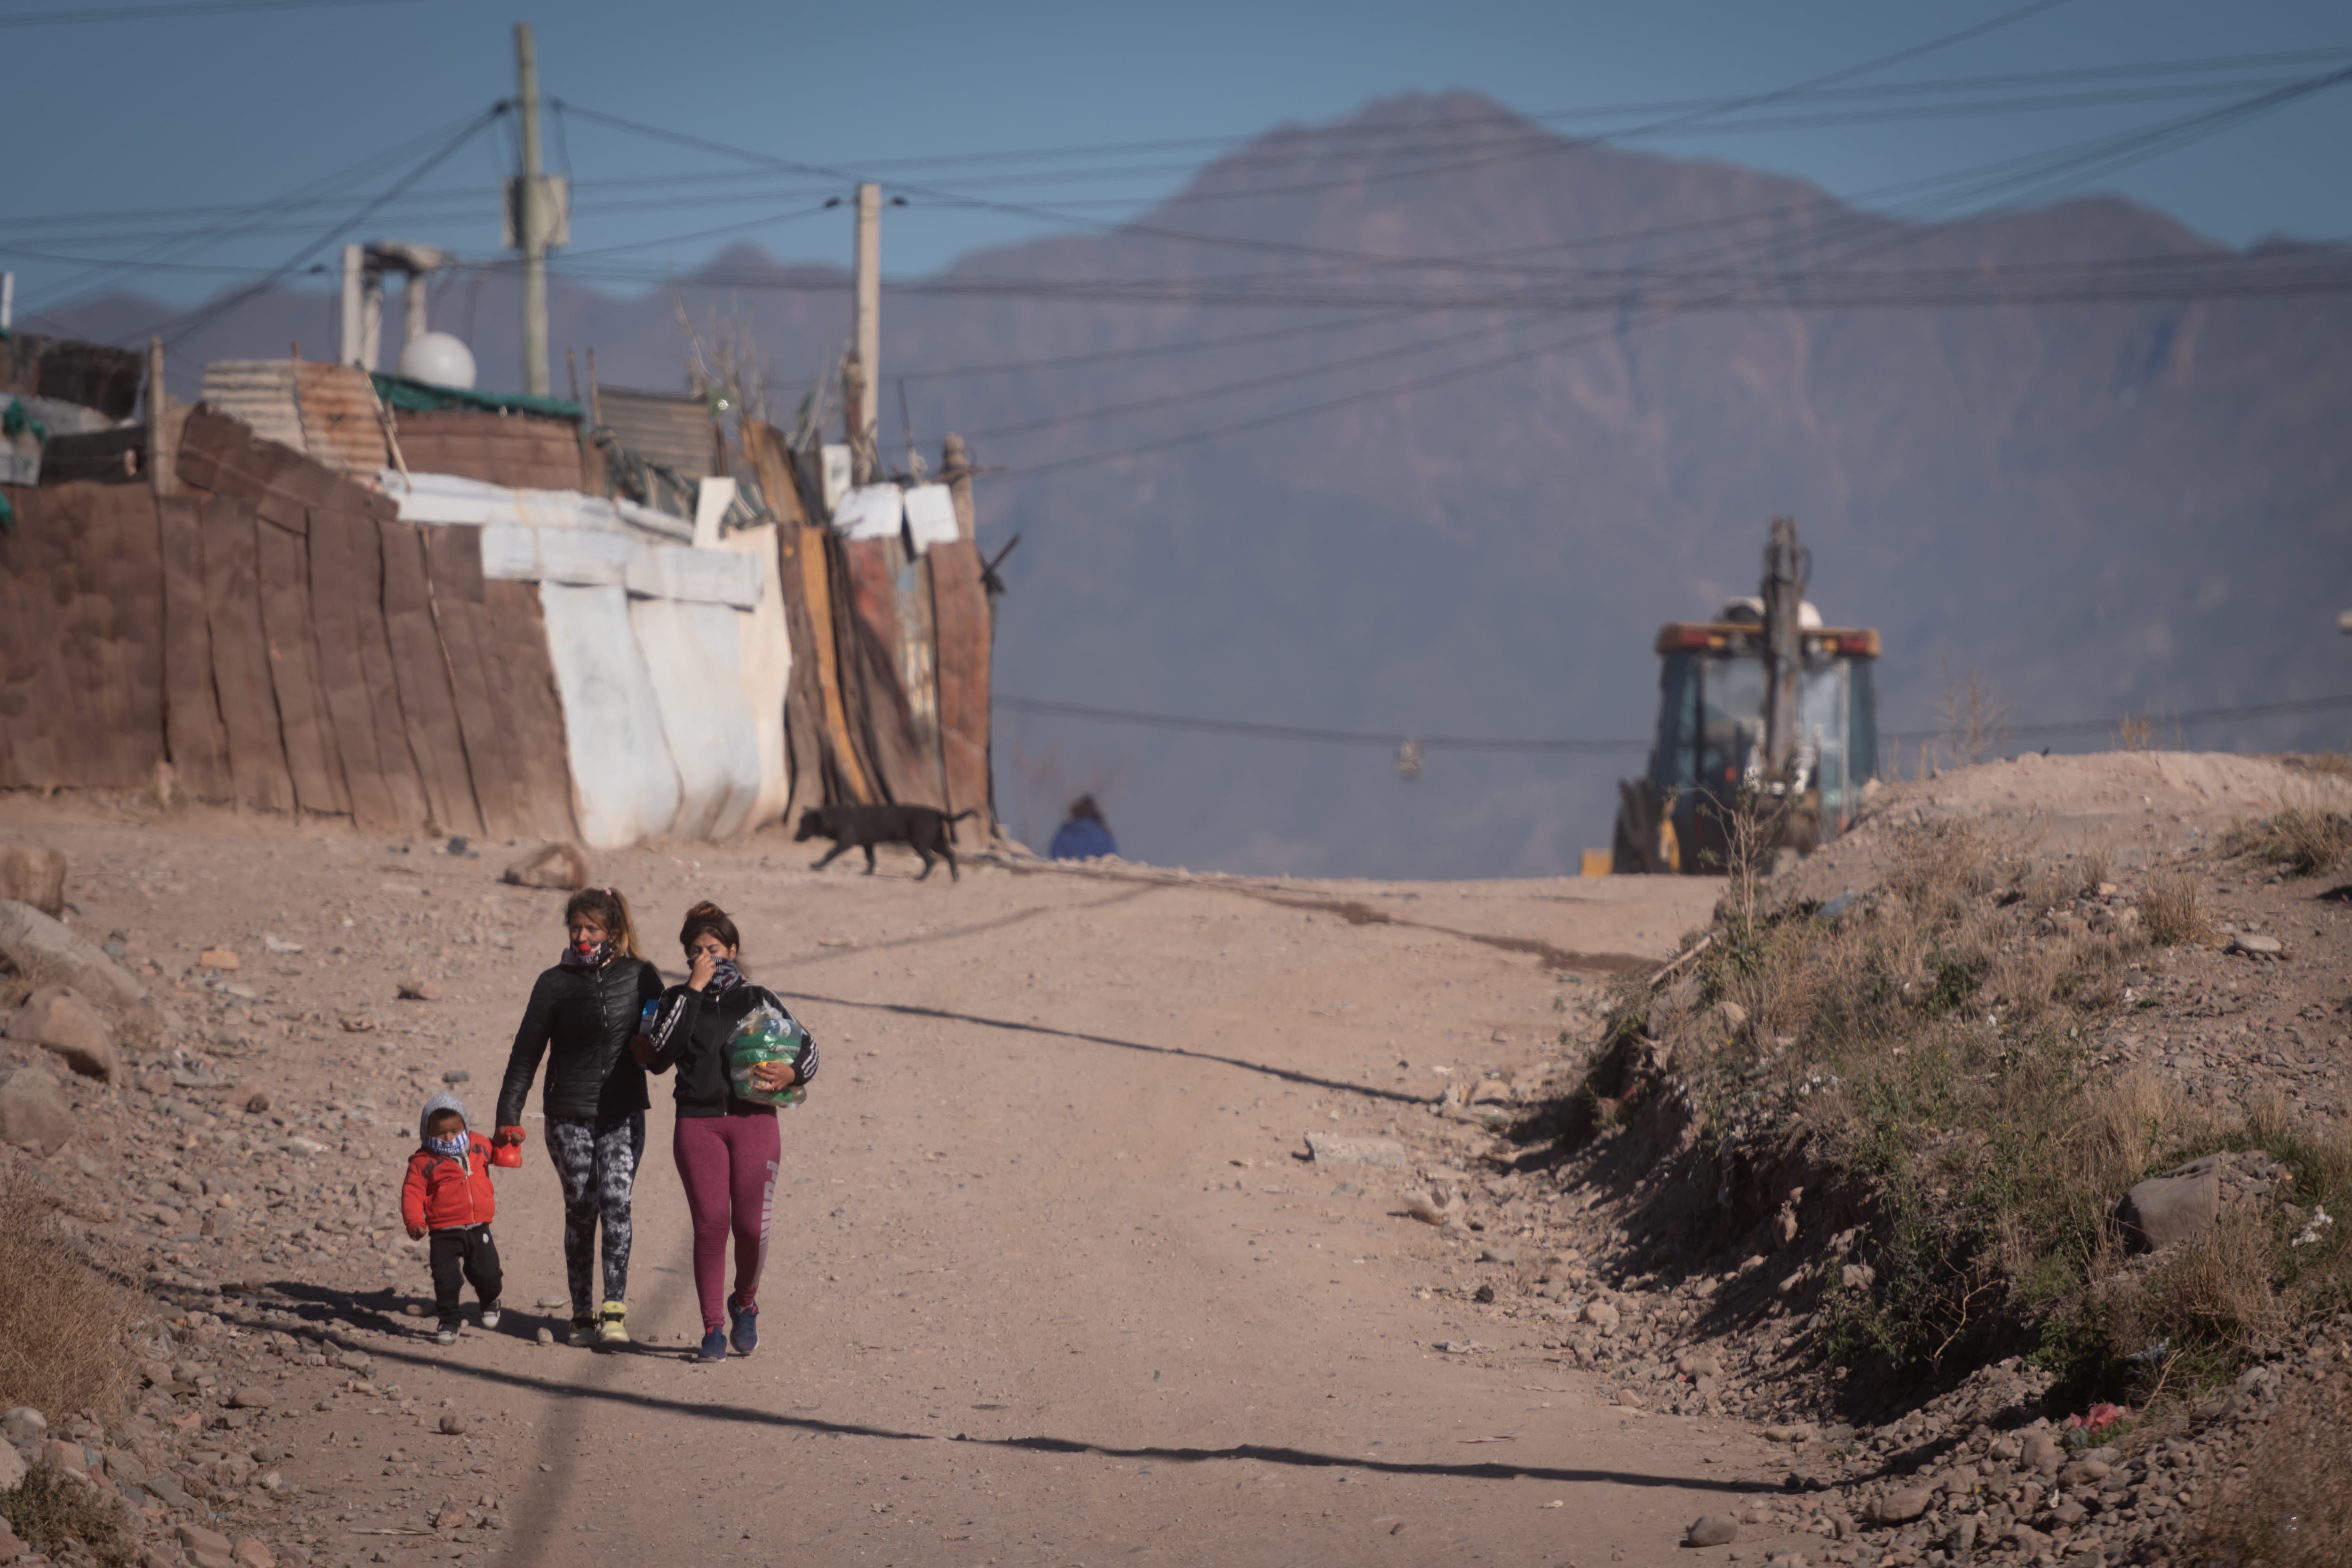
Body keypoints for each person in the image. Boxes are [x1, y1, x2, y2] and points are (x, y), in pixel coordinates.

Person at [641, 901, 819, 1361]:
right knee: (711, 1225)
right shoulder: (675, 1000)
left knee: (751, 1227)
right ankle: (712, 1329)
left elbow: (808, 1048)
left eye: (714, 948)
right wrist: (694, 992)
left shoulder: (757, 998)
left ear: (733, 949)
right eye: (697, 950)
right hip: (696, 1125)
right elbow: (660, 1056)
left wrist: (791, 1074)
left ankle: (744, 1303)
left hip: (754, 1122)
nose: (706, 956)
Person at [493, 886, 663, 1348]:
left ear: (613, 931)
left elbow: (667, 1042)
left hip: (623, 1111)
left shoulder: (642, 977)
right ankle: (581, 1313)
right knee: (582, 1208)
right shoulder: (552, 983)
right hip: (567, 1113)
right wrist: (507, 1115)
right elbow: (525, 1055)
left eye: (592, 928)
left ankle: (614, 1310)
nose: (583, 936)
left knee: (616, 1201)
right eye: (576, 928)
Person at [401, 1092, 503, 1346]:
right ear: (427, 1134)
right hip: (443, 1230)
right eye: (440, 1133)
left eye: (455, 1130)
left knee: (488, 1273)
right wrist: (414, 1221)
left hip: (478, 1225)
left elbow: (500, 1153)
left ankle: (489, 1299)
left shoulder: (478, 1144)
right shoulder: (423, 1162)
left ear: (465, 1127)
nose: (449, 1138)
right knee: (446, 1279)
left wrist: (510, 1139)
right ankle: (449, 1320)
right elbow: (412, 1193)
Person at [1048, 795, 1118, 861]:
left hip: (1066, 872)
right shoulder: (1104, 836)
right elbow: (1112, 859)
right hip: (1098, 872)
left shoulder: (1065, 833)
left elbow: (1057, 856)